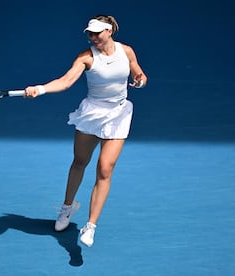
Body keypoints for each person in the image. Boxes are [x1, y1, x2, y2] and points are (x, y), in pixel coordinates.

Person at [24, 15, 147, 247]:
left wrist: (139, 81)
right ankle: (67, 208)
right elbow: (66, 81)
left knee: (105, 168)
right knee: (80, 162)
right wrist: (40, 89)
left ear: (109, 31)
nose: (93, 37)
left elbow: (139, 75)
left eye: (97, 33)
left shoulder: (127, 51)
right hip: (93, 113)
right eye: (90, 33)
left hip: (119, 113)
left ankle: (90, 225)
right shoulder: (86, 57)